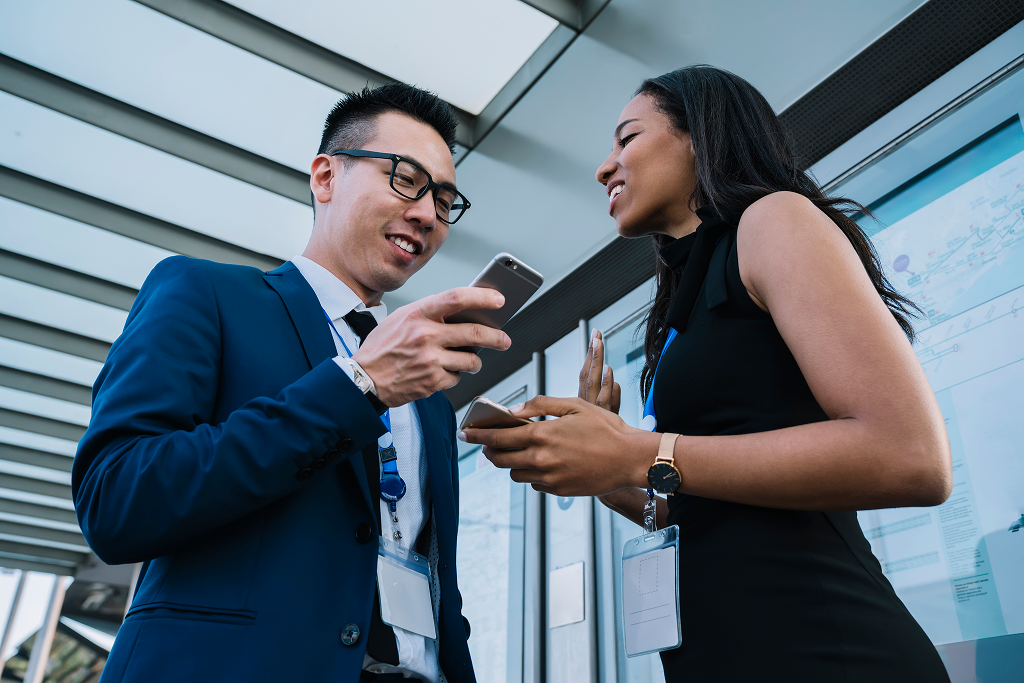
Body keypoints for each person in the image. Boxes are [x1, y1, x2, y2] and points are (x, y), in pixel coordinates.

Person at [462, 66, 953, 682]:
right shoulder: (685, 295)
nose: (604, 167)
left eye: (627, 138)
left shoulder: (776, 219)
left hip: (822, 649)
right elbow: (695, 510)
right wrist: (599, 463)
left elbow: (910, 456)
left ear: (699, 134)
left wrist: (639, 452)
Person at [73, 83, 510, 683]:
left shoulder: (429, 393)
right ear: (325, 177)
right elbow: (117, 499)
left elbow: (431, 575)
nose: (428, 213)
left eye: (445, 199)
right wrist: (358, 385)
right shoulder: (205, 294)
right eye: (406, 179)